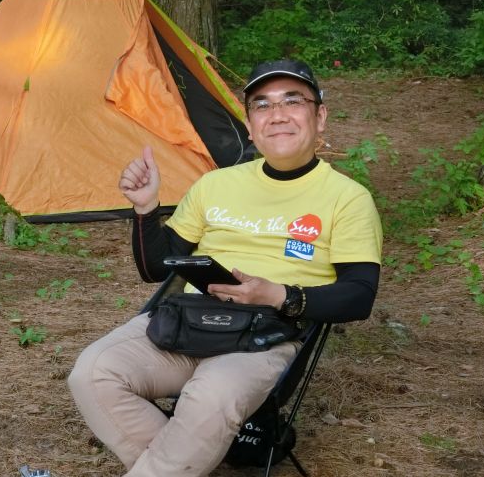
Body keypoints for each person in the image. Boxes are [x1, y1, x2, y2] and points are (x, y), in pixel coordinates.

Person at [68, 59, 382, 477]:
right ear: (249, 125)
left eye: (293, 101)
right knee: (93, 373)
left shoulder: (347, 199)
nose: (277, 115)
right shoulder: (215, 184)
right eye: (262, 105)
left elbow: (359, 295)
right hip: (188, 323)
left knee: (212, 394)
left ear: (320, 116)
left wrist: (279, 295)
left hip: (268, 335)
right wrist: (146, 209)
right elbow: (156, 268)